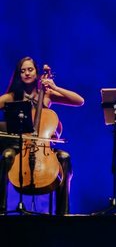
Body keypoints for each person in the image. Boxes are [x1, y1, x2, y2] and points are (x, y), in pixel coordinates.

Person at [0, 56, 84, 214]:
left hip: (43, 147)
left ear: (37, 72)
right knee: (6, 156)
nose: (26, 73)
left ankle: (63, 212)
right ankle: (1, 208)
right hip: (20, 146)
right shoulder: (11, 97)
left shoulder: (46, 95)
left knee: (64, 157)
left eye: (30, 69)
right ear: (19, 74)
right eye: (22, 71)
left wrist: (55, 87)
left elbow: (79, 101)